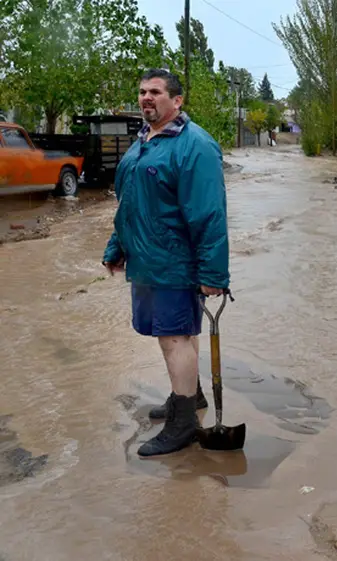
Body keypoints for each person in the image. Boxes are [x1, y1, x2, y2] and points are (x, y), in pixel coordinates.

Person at [102, 68, 230, 458]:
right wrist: (116, 246)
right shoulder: (144, 141)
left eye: (155, 92)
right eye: (143, 91)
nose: (146, 97)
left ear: (176, 100)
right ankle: (190, 395)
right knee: (174, 335)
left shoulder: (195, 146)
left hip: (175, 261)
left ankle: (184, 424)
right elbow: (130, 204)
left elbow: (209, 214)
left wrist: (212, 273)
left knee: (175, 337)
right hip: (147, 259)